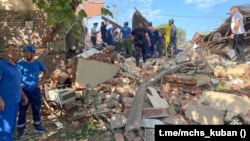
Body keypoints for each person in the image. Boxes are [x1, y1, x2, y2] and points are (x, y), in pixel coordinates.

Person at [16, 45, 48, 139]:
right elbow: (16, 77)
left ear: (33, 53)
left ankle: (38, 126)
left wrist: (41, 82)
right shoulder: (19, 64)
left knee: (36, 109)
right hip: (23, 91)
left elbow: (46, 71)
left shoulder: (37, 63)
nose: (26, 54)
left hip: (35, 90)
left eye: (28, 52)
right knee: (22, 111)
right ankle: (21, 130)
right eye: (24, 52)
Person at [0, 44, 28, 141]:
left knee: (11, 127)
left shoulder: (17, 66)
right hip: (5, 102)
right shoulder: (2, 65)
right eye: (12, 50)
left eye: (16, 50)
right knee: (5, 129)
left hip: (15, 101)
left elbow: (17, 84)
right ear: (6, 52)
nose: (15, 52)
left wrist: (23, 96)